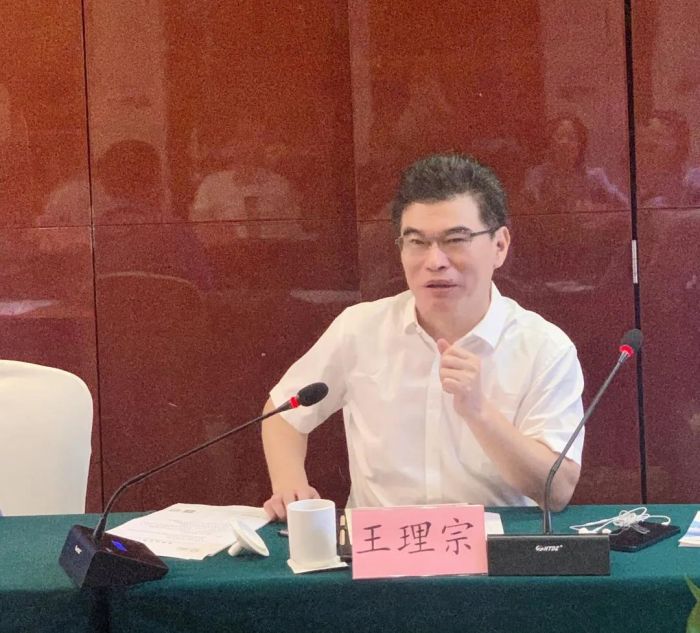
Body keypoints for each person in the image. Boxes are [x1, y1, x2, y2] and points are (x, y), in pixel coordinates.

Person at [261, 153, 584, 520]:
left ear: (499, 245)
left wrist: (480, 413)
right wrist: (289, 484)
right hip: (379, 548)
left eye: (455, 239)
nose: (435, 261)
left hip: (493, 548)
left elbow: (558, 490)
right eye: (416, 242)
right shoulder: (360, 329)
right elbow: (284, 411)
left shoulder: (544, 348)